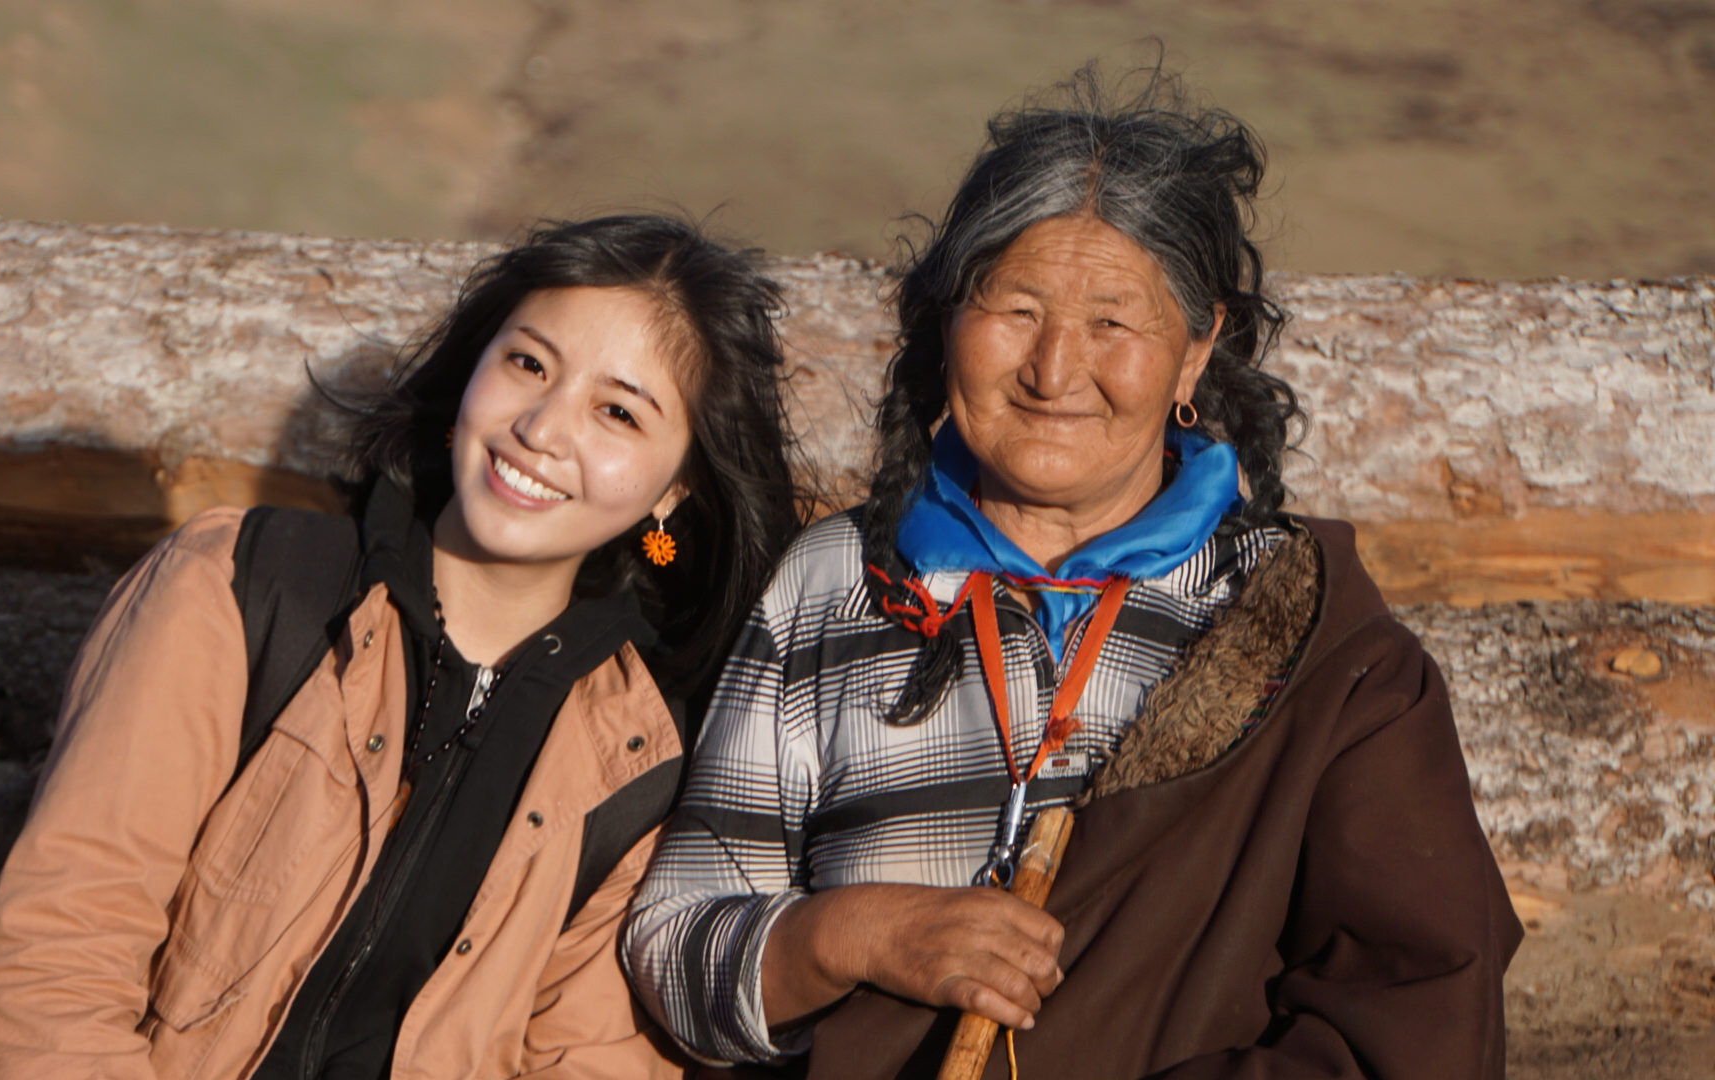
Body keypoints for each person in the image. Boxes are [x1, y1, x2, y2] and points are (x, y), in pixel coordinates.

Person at [623, 70, 1522, 1080]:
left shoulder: (1305, 637)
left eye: (1111, 323)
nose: (1053, 371)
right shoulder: (837, 582)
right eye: (1014, 307)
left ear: (1195, 351)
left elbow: (1415, 1014)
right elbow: (672, 941)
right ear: (945, 320)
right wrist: (848, 936)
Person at [0, 215, 802, 1080]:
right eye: (528, 364)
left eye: (617, 411)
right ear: (474, 369)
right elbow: (55, 963)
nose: (543, 428)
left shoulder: (641, 756)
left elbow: (590, 1061)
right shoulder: (243, 589)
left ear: (677, 488)